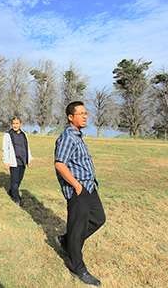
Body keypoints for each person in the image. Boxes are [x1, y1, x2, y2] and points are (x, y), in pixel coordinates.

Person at [54, 101, 106, 286]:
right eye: (81, 113)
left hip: (90, 187)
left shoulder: (78, 136)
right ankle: (78, 267)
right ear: (70, 117)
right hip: (79, 190)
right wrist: (76, 186)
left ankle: (66, 240)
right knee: (77, 228)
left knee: (99, 218)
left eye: (86, 113)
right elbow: (60, 164)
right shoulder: (67, 137)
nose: (85, 116)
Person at [2, 117, 32, 205]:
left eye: (17, 123)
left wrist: (29, 159)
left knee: (19, 179)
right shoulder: (8, 135)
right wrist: (6, 161)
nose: (15, 125)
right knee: (14, 181)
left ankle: (11, 191)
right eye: (13, 123)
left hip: (22, 161)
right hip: (13, 161)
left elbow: (27, 147)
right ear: (11, 124)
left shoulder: (24, 134)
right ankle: (16, 199)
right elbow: (5, 149)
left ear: (20, 124)